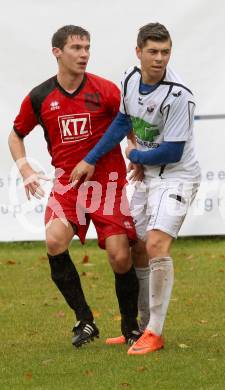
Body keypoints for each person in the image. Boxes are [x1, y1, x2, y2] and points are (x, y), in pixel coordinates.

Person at [70, 23, 201, 355]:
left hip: (177, 176)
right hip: (147, 176)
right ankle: (141, 327)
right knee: (139, 247)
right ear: (138, 51)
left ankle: (155, 332)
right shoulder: (130, 79)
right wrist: (90, 159)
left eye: (165, 52)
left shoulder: (178, 93)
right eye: (153, 51)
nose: (159, 59)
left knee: (157, 244)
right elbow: (122, 123)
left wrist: (136, 155)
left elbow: (172, 151)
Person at [8, 25, 141, 348]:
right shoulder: (40, 97)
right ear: (57, 52)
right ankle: (85, 319)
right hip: (68, 186)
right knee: (54, 240)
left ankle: (130, 327)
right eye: (76, 48)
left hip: (107, 185)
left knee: (120, 257)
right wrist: (25, 168)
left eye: (87, 48)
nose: (84, 54)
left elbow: (128, 119)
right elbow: (16, 135)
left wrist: (133, 150)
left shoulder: (106, 90)